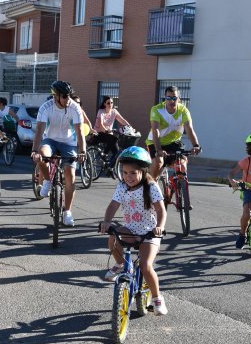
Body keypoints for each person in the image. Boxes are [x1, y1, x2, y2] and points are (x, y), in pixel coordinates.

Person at [99, 146, 168, 315]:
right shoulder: (122, 187)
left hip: (149, 233)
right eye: (124, 172)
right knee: (113, 236)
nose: (128, 177)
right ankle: (122, 264)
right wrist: (107, 221)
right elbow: (113, 205)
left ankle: (157, 298)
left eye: (132, 173)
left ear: (143, 172)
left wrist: (160, 227)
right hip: (130, 230)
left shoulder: (151, 187)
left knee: (145, 266)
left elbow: (161, 210)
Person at [31, 80, 86, 227]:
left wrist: (82, 151)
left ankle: (67, 212)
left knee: (70, 175)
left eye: (69, 96)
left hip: (69, 143)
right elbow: (40, 130)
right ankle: (48, 180)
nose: (67, 99)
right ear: (56, 96)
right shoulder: (46, 107)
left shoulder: (75, 108)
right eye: (64, 96)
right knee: (42, 155)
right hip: (50, 140)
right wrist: (35, 150)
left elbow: (80, 133)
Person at [146, 85, 201, 180]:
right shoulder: (157, 110)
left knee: (182, 164)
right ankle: (151, 185)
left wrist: (196, 145)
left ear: (179, 99)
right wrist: (159, 149)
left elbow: (189, 129)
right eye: (169, 98)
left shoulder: (183, 110)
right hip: (155, 142)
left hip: (173, 142)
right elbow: (156, 131)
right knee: (159, 162)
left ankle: (178, 186)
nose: (171, 101)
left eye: (174, 98)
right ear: (165, 99)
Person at [93, 96, 131, 168]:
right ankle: (104, 153)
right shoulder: (101, 111)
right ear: (104, 104)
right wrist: (106, 130)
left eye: (112, 103)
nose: (110, 104)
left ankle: (110, 168)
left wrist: (130, 127)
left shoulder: (114, 111)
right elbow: (101, 124)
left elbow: (122, 120)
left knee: (116, 153)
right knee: (114, 138)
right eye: (108, 103)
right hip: (99, 133)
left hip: (109, 135)